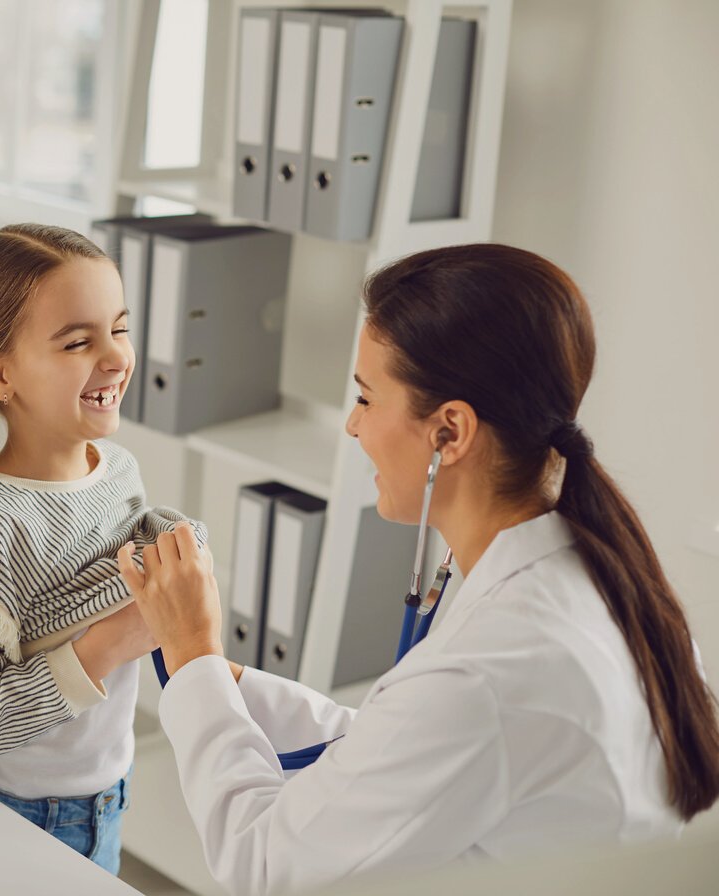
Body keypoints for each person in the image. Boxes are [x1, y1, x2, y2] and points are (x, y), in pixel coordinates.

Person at [116, 243, 719, 894]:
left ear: (450, 432)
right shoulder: (589, 572)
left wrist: (194, 663)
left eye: (367, 398)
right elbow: (391, 749)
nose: (352, 426)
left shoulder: (495, 667)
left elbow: (267, 868)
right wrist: (226, 680)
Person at [0, 224, 205, 874]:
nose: (115, 358)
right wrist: (113, 639)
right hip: (14, 816)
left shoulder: (118, 471)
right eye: (78, 342)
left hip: (106, 794)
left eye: (119, 328)